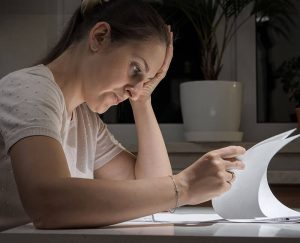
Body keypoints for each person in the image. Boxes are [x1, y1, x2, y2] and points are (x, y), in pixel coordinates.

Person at [0, 0, 245, 230]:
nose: (135, 89)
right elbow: (48, 204)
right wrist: (184, 186)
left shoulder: (85, 119)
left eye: (146, 80)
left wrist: (142, 99)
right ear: (99, 37)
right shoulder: (30, 90)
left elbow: (151, 189)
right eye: (136, 69)